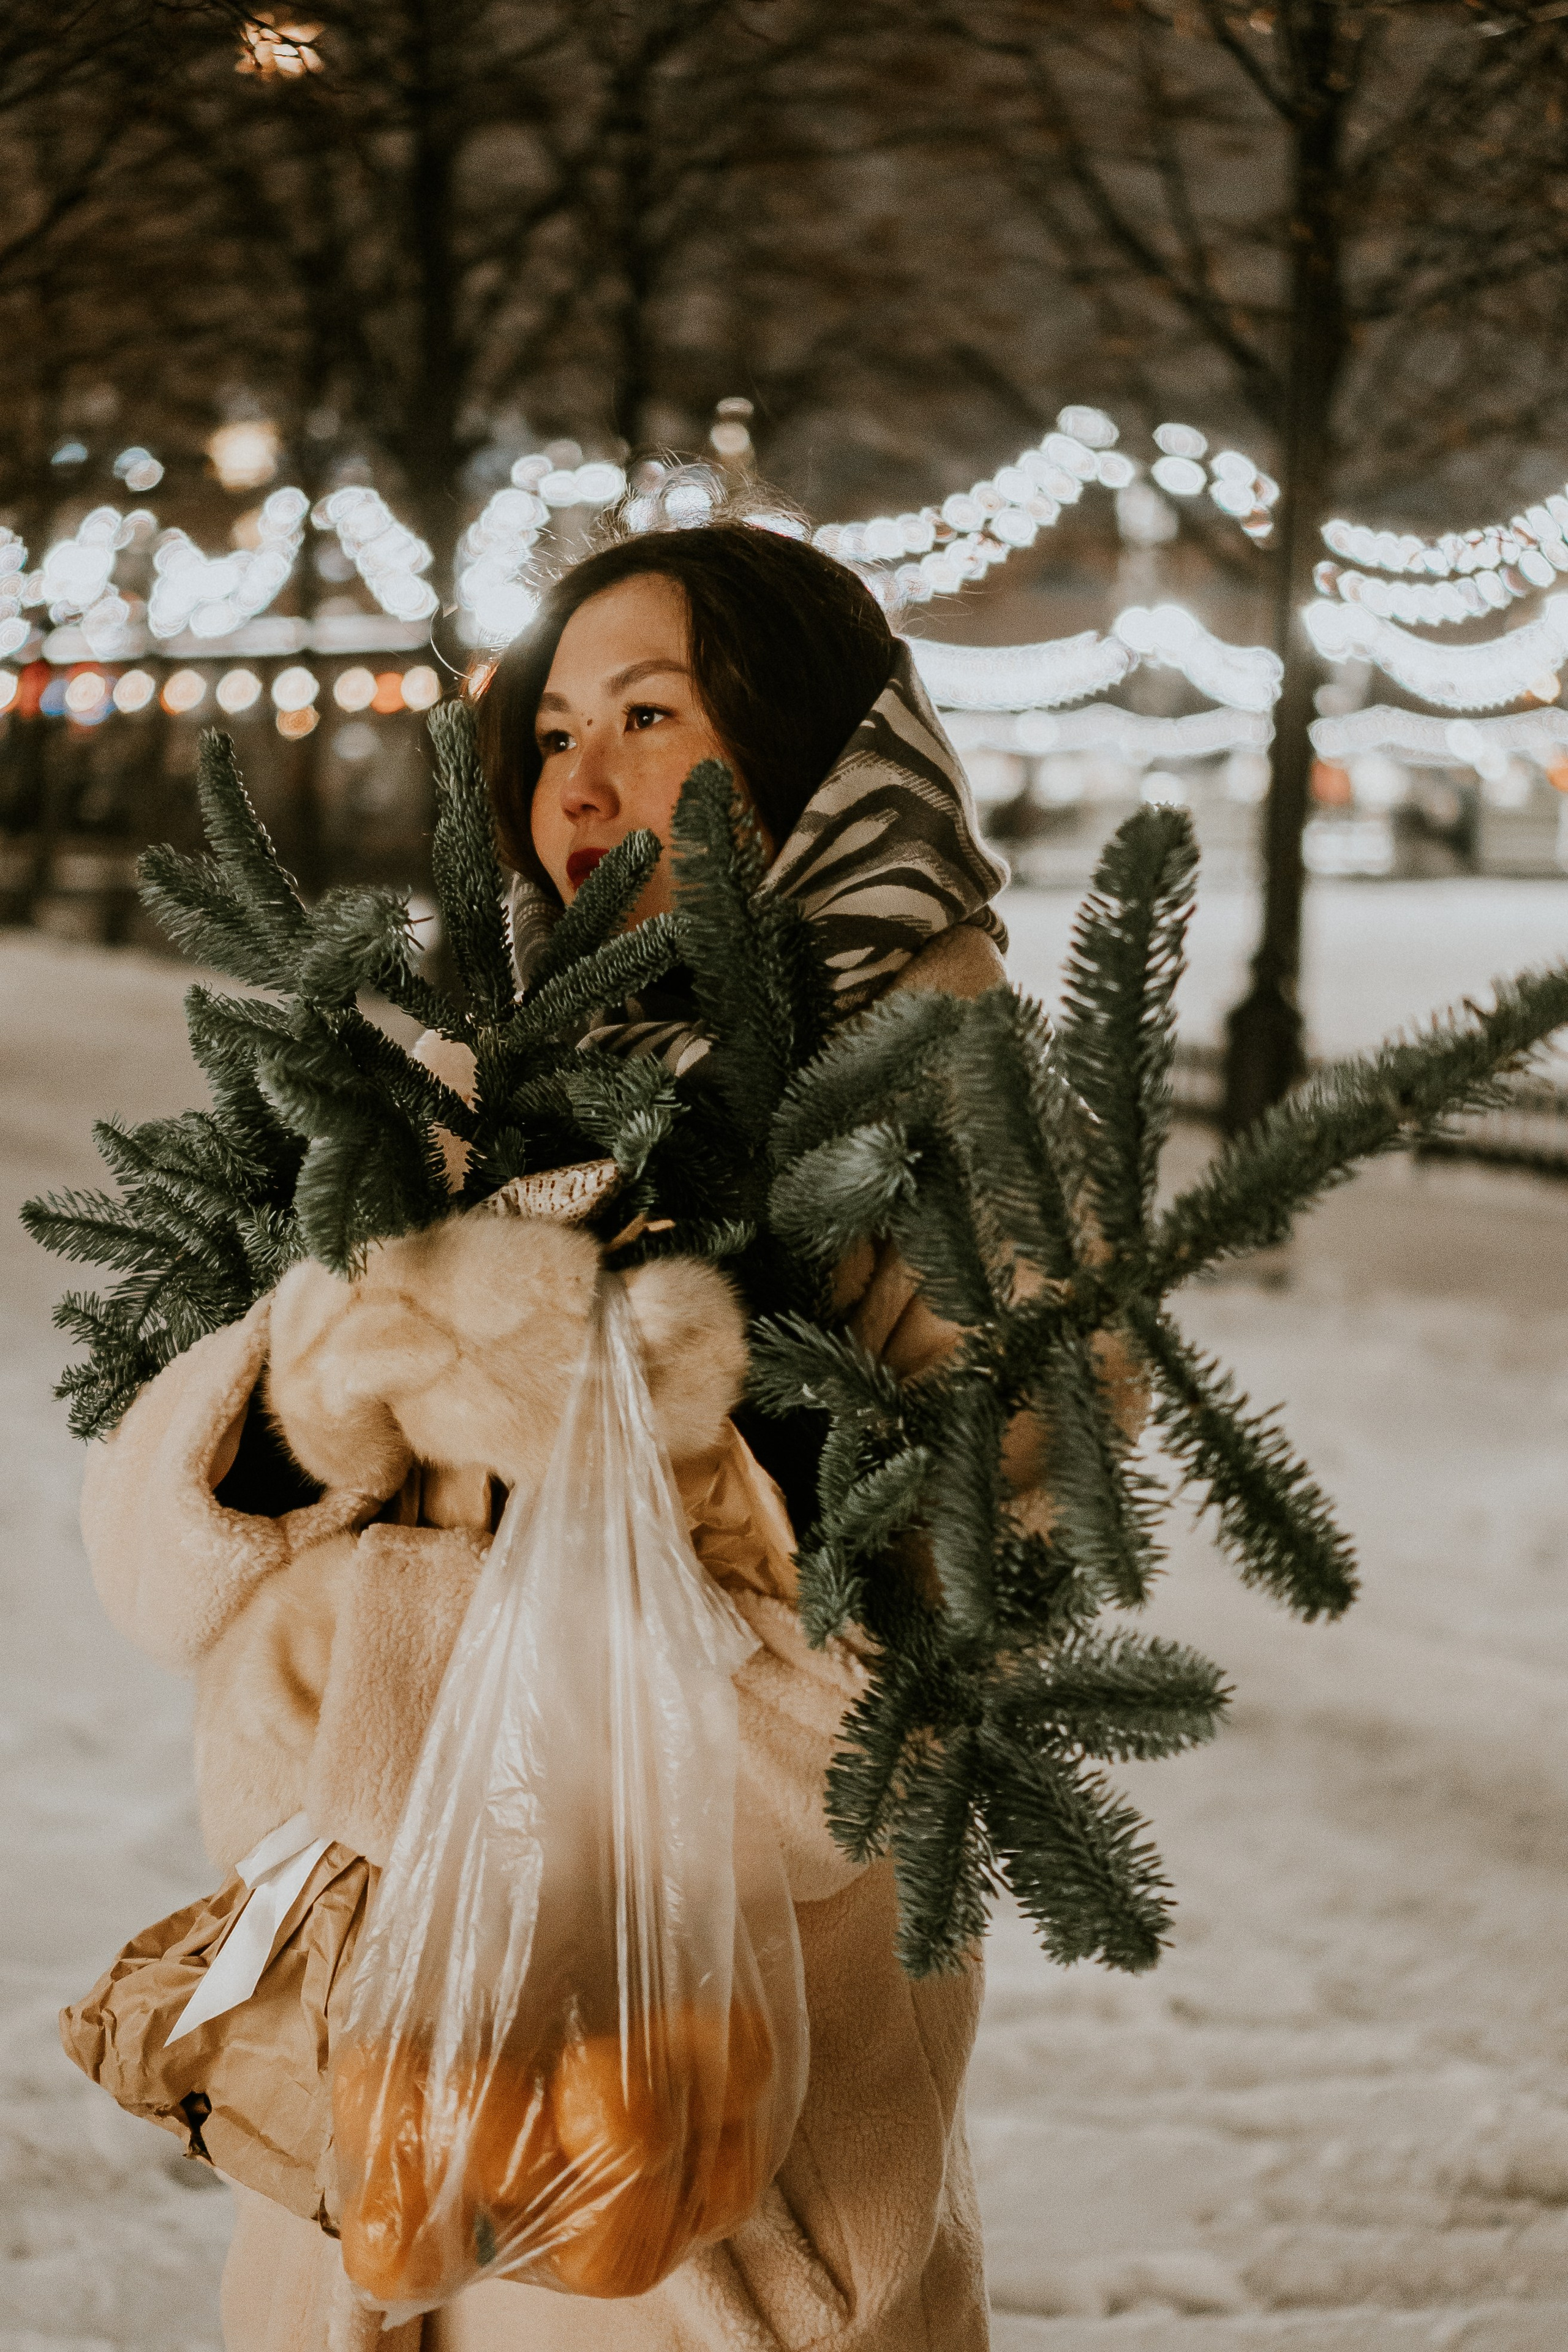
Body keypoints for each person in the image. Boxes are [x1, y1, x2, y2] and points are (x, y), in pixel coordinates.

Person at [79, 502, 1041, 2352]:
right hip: (385, 2106)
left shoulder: (949, 1136)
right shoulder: (466, 1088)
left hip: (704, 2171)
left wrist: (404, 1608)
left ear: (820, 756)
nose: (579, 783)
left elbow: (902, 1725)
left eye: (651, 715)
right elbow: (154, 1570)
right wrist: (311, 1393)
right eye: (551, 731)